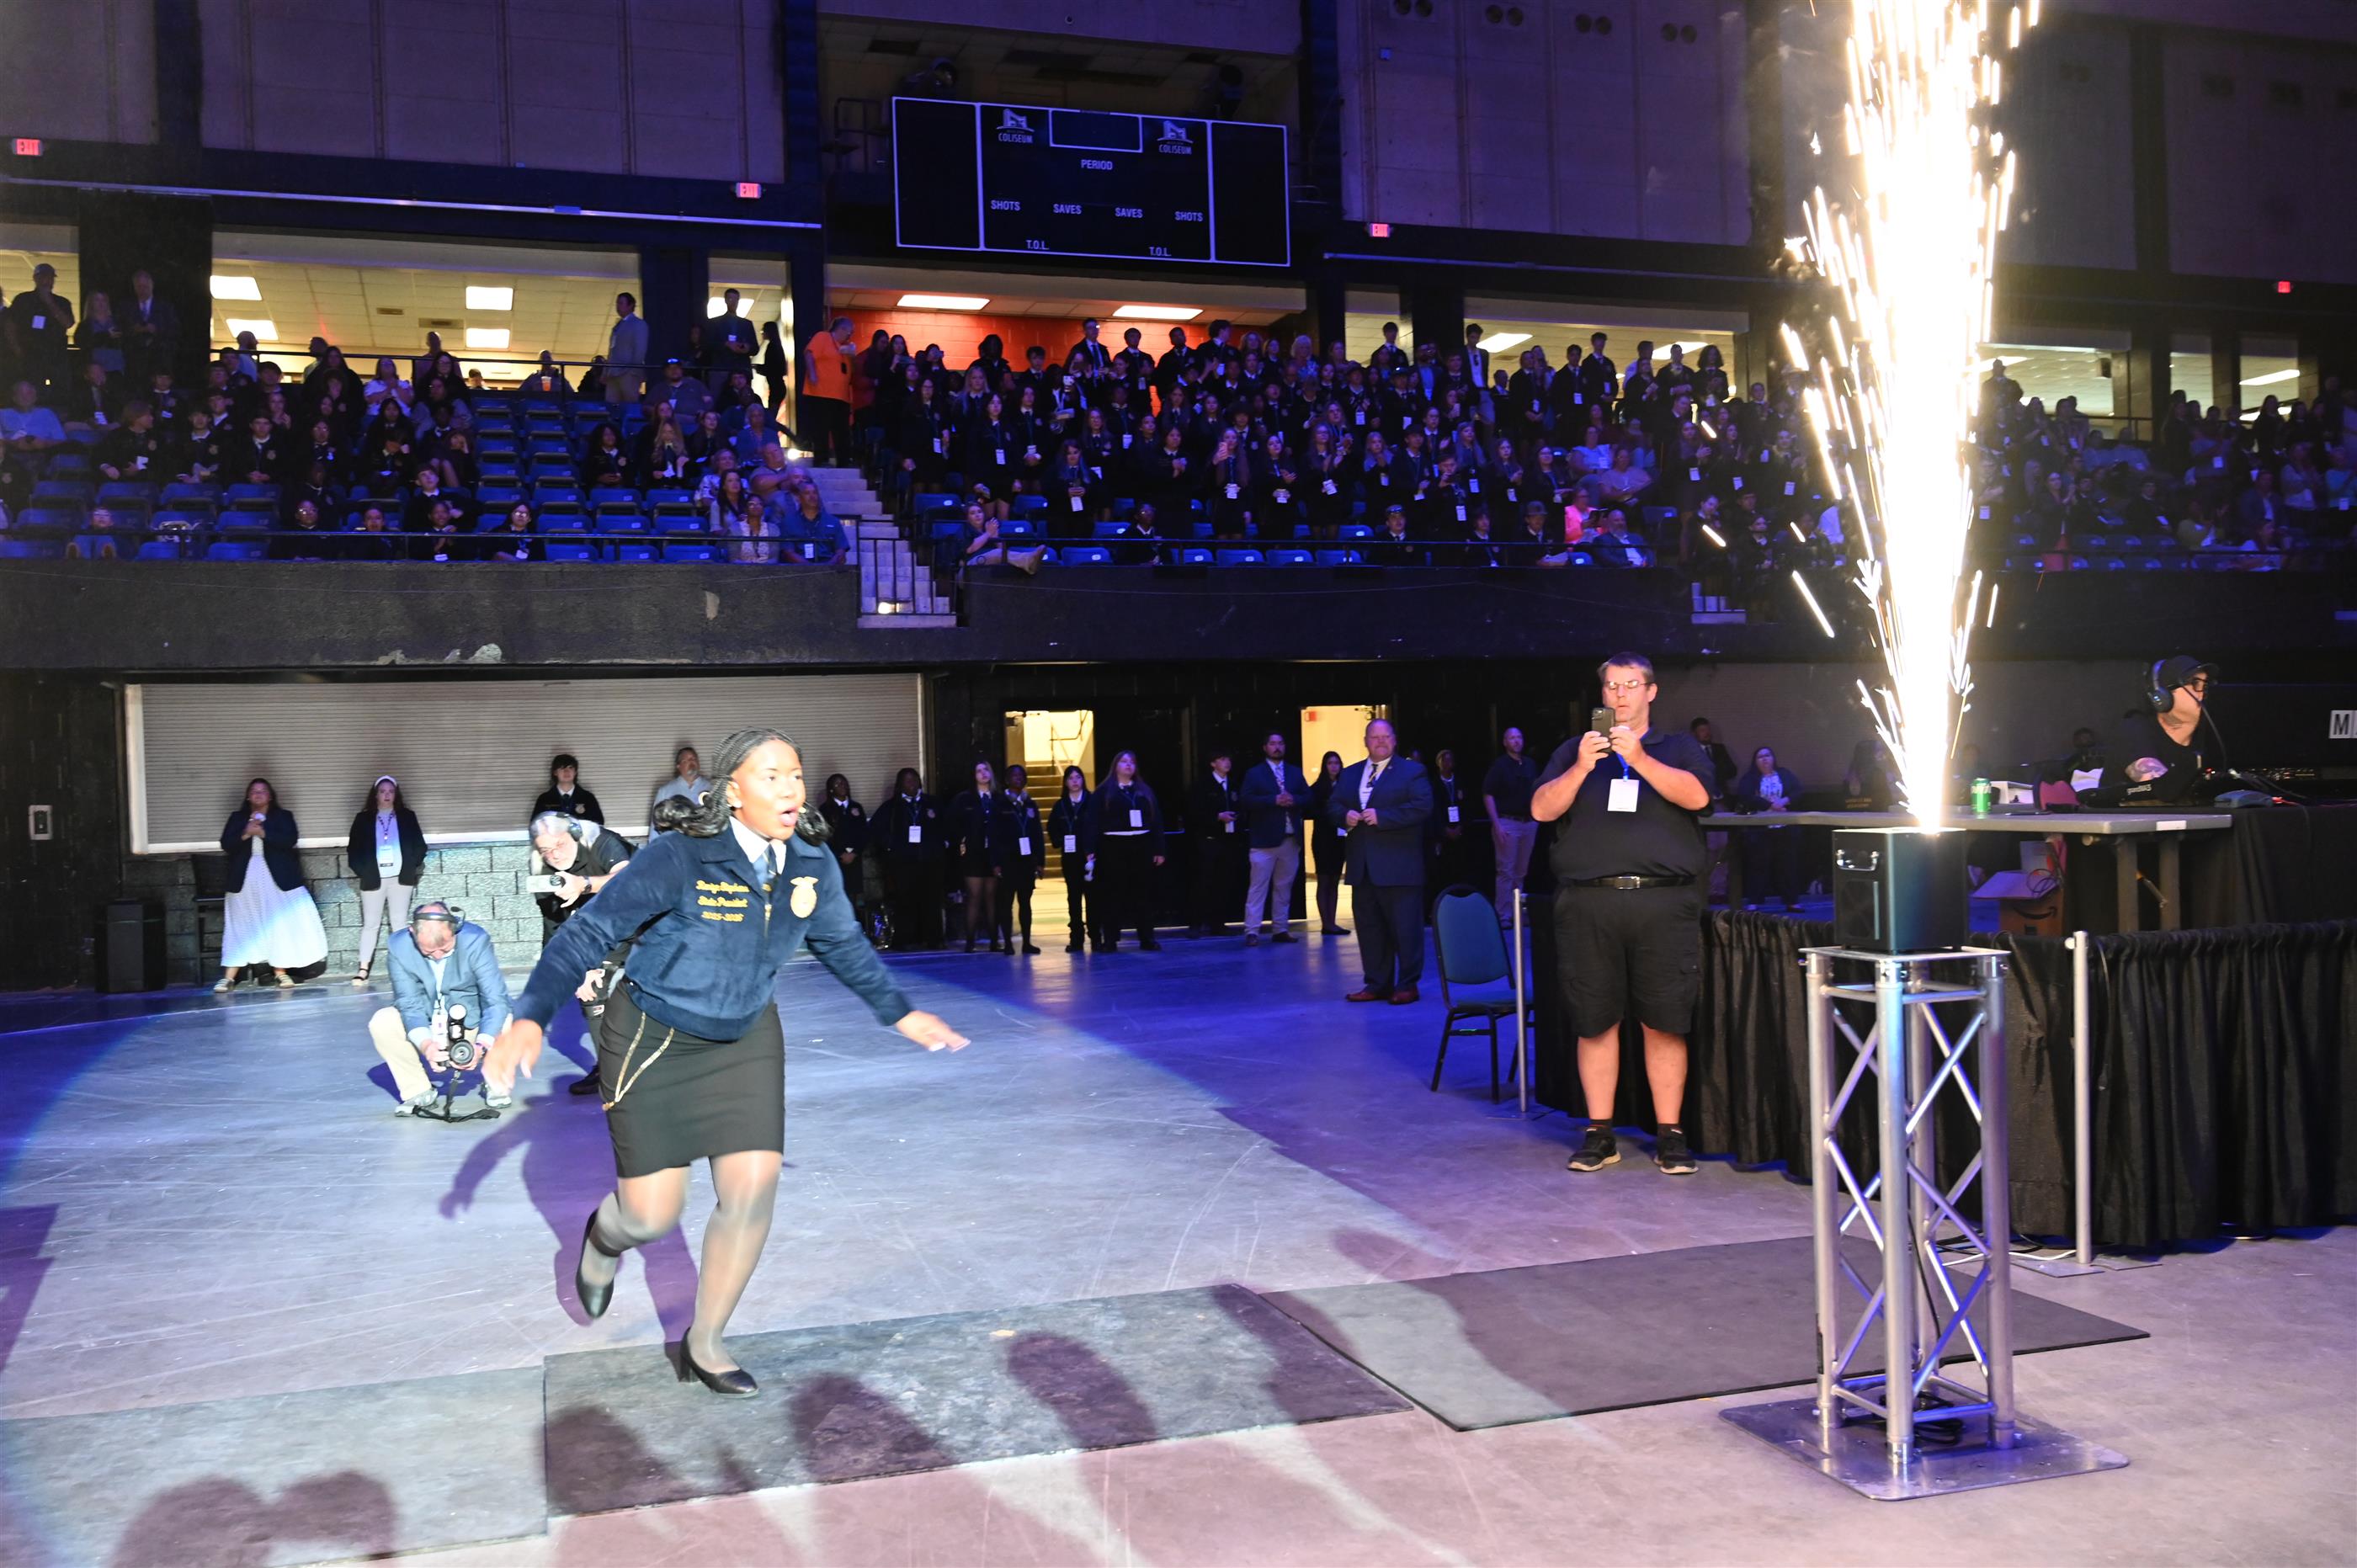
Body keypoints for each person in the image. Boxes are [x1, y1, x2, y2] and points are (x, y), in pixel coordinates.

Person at [484, 729, 970, 1395]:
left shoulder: (810, 863)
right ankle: (604, 1237)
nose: (792, 789)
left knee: (752, 1191)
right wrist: (530, 1015)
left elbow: (844, 943)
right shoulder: (681, 855)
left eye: (796, 774)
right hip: (655, 1037)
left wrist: (899, 1011)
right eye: (773, 776)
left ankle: (705, 1341)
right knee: (651, 1215)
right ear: (733, 792)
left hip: (745, 1035)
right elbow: (590, 930)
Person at [1530, 653, 1715, 1176]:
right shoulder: (1576, 750)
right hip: (1589, 903)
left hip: (1662, 902)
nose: (1620, 695)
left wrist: (1641, 759)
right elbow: (1542, 809)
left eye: (1631, 685)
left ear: (1651, 692)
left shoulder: (1678, 747)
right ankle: (1599, 1133)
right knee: (1595, 1021)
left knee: (1665, 1021)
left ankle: (1670, 1135)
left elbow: (1698, 797)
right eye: (1612, 686)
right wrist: (1581, 767)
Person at [369, 901, 513, 1115]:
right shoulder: (398, 947)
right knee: (383, 1021)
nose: (437, 955)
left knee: (505, 1017)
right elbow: (408, 1003)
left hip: (470, 1024)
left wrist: (481, 1045)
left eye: (445, 949)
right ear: (412, 932)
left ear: (455, 929)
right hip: (428, 1022)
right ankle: (418, 1091)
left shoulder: (475, 941)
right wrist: (426, 1045)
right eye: (428, 951)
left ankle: (496, 1080)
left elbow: (496, 1001)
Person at [1327, 719, 1433, 1005]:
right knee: (1370, 930)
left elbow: (1422, 807)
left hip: (1400, 868)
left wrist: (1384, 817)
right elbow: (1332, 805)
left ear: (1394, 740)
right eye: (1375, 737)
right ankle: (1377, 984)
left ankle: (1408, 984)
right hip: (1363, 868)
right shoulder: (1350, 774)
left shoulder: (1412, 771)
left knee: (1406, 930)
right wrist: (1344, 816)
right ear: (1366, 741)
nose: (1381, 741)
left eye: (1386, 736)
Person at [215, 778, 328, 991]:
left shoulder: (282, 817)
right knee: (240, 924)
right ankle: (229, 977)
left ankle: (280, 973)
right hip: (243, 879)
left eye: (263, 790)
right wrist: (246, 833)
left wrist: (263, 833)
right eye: (254, 790)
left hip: (277, 878)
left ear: (270, 796)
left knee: (278, 923)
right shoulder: (237, 818)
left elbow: (289, 840)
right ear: (248, 796)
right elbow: (226, 844)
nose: (258, 794)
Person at [346, 774, 427, 986]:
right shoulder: (363, 819)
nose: (387, 795)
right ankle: (363, 968)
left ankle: (404, 967)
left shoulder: (406, 816)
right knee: (370, 924)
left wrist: (411, 864)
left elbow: (420, 845)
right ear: (375, 795)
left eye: (391, 791)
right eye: (382, 791)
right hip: (374, 877)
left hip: (400, 877)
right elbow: (353, 850)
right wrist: (364, 871)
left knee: (399, 922)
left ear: (396, 794)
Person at [1088, 751, 1165, 951]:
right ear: (1115, 766)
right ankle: (1111, 940)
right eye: (1123, 761)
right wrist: (1090, 849)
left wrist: (1159, 849)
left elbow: (1156, 821)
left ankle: (1147, 938)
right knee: (1113, 894)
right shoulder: (1104, 792)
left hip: (1141, 845)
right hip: (1113, 847)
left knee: (1143, 894)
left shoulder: (1144, 791)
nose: (1128, 765)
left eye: (1132, 762)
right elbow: (1093, 822)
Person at [1239, 731, 1310, 946]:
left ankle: (1280, 929)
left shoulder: (1295, 772)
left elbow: (1309, 797)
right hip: (1264, 841)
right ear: (1265, 747)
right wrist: (1274, 800)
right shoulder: (1255, 773)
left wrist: (1293, 799)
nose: (1277, 747)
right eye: (1272, 743)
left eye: (1280, 743)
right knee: (1258, 887)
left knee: (1284, 887)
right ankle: (1252, 930)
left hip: (1290, 839)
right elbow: (1246, 800)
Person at [2116, 655, 2217, 803]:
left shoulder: (2210, 736)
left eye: (2206, 684)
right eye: (2194, 683)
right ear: (2162, 696)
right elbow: (2160, 790)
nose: (2202, 692)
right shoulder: (2134, 729)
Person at [872, 767, 945, 950]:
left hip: (930, 861)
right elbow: (876, 830)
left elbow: (946, 826)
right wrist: (891, 846)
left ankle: (933, 939)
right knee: (905, 901)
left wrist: (941, 845)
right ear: (900, 785)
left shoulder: (932, 803)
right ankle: (906, 940)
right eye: (907, 781)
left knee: (932, 900)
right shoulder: (892, 807)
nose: (912, 784)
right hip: (903, 863)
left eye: (914, 779)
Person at [1732, 746, 1806, 912]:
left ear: (1773, 758)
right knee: (1758, 865)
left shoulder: (1784, 774)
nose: (1765, 759)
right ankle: (1754, 900)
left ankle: (1791, 900)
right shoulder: (1750, 778)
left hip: (1784, 827)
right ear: (1755, 761)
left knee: (1787, 865)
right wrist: (1770, 805)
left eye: (1767, 755)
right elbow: (1746, 796)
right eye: (1760, 757)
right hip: (1760, 829)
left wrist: (1784, 801)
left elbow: (1798, 790)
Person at [1483, 726, 1540, 926]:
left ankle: (1517, 911)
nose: (1516, 741)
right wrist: (1497, 824)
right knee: (1506, 870)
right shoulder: (1500, 766)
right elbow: (1488, 794)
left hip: (1529, 822)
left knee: (1521, 871)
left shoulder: (1530, 764)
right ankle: (1503, 914)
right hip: (1508, 822)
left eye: (1519, 737)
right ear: (1505, 742)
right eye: (1512, 738)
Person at [948, 760, 1007, 952]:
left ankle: (994, 940)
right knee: (974, 896)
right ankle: (970, 941)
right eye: (979, 770)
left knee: (991, 897)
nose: (983, 773)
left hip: (994, 854)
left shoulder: (999, 798)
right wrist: (962, 842)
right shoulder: (964, 799)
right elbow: (953, 824)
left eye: (986, 769)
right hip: (973, 854)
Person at [1187, 747, 1246, 938]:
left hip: (1230, 840)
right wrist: (1217, 817)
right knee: (1204, 883)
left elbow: (1242, 807)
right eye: (1222, 759)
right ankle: (1196, 923)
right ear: (1213, 763)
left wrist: (1238, 817)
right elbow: (1194, 812)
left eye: (1228, 759)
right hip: (1209, 841)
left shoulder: (1234, 785)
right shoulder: (1203, 786)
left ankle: (1218, 923)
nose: (1226, 762)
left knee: (1224, 882)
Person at [998, 764, 1046, 955]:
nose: (1018, 778)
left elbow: (1037, 834)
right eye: (1014, 775)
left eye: (1021, 775)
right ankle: (1008, 943)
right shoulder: (1000, 804)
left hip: (1027, 861)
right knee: (1006, 903)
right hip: (1007, 861)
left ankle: (1027, 942)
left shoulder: (1030, 804)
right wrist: (996, 863)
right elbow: (994, 834)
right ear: (1007, 780)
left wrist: (1040, 862)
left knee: (1025, 903)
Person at [1049, 764, 1098, 953]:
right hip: (1070, 858)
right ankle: (1076, 937)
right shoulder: (1060, 805)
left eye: (1078, 777)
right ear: (1066, 782)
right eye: (1071, 778)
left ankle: (1095, 936)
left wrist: (1094, 848)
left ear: (1083, 780)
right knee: (1074, 898)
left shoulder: (1092, 801)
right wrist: (1060, 840)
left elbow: (1099, 826)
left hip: (1090, 857)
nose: (1075, 781)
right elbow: (1052, 828)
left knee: (1093, 898)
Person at [817, 773, 870, 933]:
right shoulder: (824, 810)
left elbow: (864, 833)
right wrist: (840, 854)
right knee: (838, 894)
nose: (843, 786)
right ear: (831, 789)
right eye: (838, 784)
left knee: (854, 896)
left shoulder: (856, 807)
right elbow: (824, 837)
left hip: (854, 859)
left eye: (844, 783)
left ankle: (855, 930)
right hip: (836, 860)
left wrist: (855, 852)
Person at [1306, 750, 1350, 937]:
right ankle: (1326, 923)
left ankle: (1332, 922)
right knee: (1324, 880)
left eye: (1337, 763)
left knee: (1334, 880)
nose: (1334, 767)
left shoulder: (1345, 786)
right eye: (1330, 763)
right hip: (1323, 838)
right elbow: (1309, 811)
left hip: (1339, 839)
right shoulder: (1318, 788)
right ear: (1325, 766)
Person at [1427, 747, 1475, 902]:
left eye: (1449, 760)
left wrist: (1461, 826)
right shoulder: (1433, 784)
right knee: (1443, 870)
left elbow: (1468, 807)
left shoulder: (1460, 782)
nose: (1447, 763)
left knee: (1461, 867)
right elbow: (1432, 810)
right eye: (1444, 760)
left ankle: (1462, 899)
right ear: (1438, 763)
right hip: (1442, 835)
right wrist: (1443, 829)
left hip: (1460, 833)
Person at [533, 753, 604, 825]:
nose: (566, 771)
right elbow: (535, 825)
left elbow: (599, 823)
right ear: (555, 772)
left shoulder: (588, 798)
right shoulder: (544, 799)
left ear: (575, 772)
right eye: (562, 768)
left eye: (571, 767)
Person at [606, 293, 649, 408]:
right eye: (617, 303)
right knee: (611, 406)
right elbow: (612, 350)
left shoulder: (638, 324)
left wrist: (633, 370)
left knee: (630, 406)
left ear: (630, 305)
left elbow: (640, 350)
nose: (618, 306)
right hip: (613, 373)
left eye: (621, 303)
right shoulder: (617, 326)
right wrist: (607, 371)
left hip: (628, 373)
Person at [653, 746, 709, 822]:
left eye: (694, 759)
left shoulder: (711, 788)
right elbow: (657, 822)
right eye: (686, 761)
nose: (691, 763)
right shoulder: (665, 791)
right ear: (678, 766)